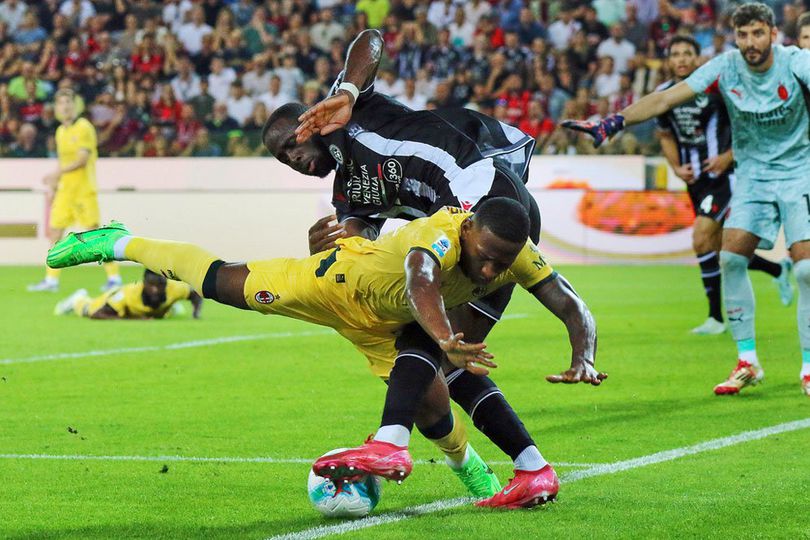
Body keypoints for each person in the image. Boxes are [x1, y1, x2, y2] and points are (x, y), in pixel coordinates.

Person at [47, 198, 606, 509]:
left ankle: (498, 477)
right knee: (218, 282)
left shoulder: (514, 253)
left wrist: (584, 354)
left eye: (501, 263)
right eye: (484, 256)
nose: (489, 270)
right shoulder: (440, 232)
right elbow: (421, 280)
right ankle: (115, 241)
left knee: (434, 399)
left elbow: (570, 302)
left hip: (389, 327)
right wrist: (443, 336)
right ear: (469, 230)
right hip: (334, 284)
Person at [265, 29, 602, 507]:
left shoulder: (347, 111)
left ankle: (392, 441)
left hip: (485, 200)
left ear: (309, 123)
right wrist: (326, 254)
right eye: (282, 159)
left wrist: (347, 91)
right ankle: (532, 469)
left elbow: (370, 40)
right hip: (479, 221)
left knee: (424, 334)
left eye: (291, 146)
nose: (292, 160)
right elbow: (360, 257)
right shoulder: (349, 194)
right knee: (448, 353)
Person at [563, 2, 810, 397]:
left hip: (799, 172)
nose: (750, 42)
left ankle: (809, 366)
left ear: (773, 34)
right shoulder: (726, 67)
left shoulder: (796, 62)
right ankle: (747, 361)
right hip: (752, 177)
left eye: (758, 33)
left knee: (806, 271)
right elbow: (666, 99)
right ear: (735, 37)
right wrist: (613, 122)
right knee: (730, 259)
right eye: (743, 35)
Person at [657, 35, 793, 335]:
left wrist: (727, 156)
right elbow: (665, 135)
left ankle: (716, 319)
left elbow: (749, 124)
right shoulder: (665, 94)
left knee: (701, 237)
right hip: (696, 182)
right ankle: (777, 269)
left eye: (687, 53)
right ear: (669, 60)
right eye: (675, 54)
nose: (681, 59)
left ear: (697, 58)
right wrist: (676, 167)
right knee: (719, 248)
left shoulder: (716, 88)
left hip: (725, 177)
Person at [28, 88, 121, 293]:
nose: (65, 107)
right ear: (57, 107)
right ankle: (51, 280)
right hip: (65, 191)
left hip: (84, 190)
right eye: (61, 103)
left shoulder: (83, 127)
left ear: (75, 105)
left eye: (68, 102)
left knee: (95, 235)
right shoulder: (60, 131)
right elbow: (63, 162)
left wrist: (57, 172)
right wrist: (54, 184)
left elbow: (82, 160)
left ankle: (114, 278)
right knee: (55, 232)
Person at [54, 268, 203, 320]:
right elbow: (98, 314)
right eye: (151, 285)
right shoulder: (128, 294)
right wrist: (134, 319)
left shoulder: (174, 288)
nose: (155, 290)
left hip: (151, 309)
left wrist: (196, 313)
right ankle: (77, 299)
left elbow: (195, 294)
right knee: (88, 309)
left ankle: (170, 307)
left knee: (165, 307)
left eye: (160, 285)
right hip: (112, 299)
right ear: (144, 283)